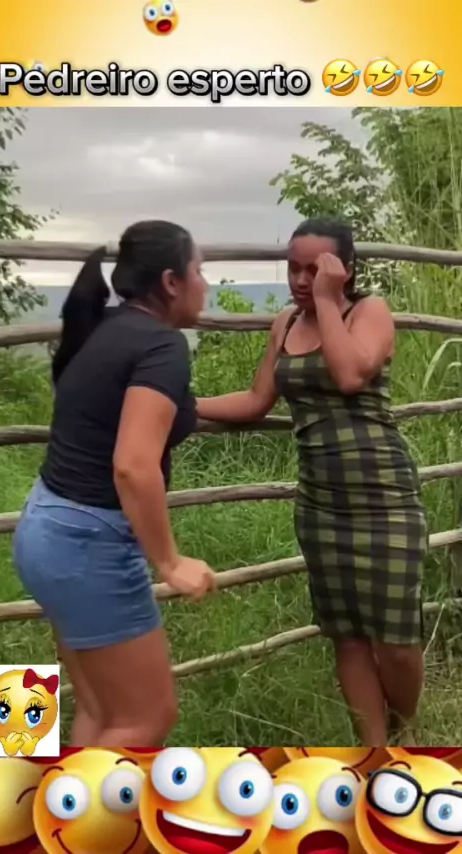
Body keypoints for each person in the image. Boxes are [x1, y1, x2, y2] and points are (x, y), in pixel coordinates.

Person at [196, 218, 428, 746]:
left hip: (385, 498)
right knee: (347, 636)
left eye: (314, 269)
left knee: (395, 641)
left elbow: (349, 375)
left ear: (345, 269)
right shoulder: (284, 323)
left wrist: (326, 299)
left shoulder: (367, 312)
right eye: (293, 268)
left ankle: (404, 731)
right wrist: (182, 405)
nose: (301, 280)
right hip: (321, 504)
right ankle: (374, 753)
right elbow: (256, 400)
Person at [13, 220, 216, 748]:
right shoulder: (163, 345)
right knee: (146, 720)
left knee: (103, 711)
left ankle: (57, 801)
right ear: (171, 282)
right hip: (88, 545)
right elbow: (132, 465)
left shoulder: (106, 327)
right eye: (199, 270)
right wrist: (170, 562)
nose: (206, 283)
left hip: (47, 528)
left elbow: (137, 411)